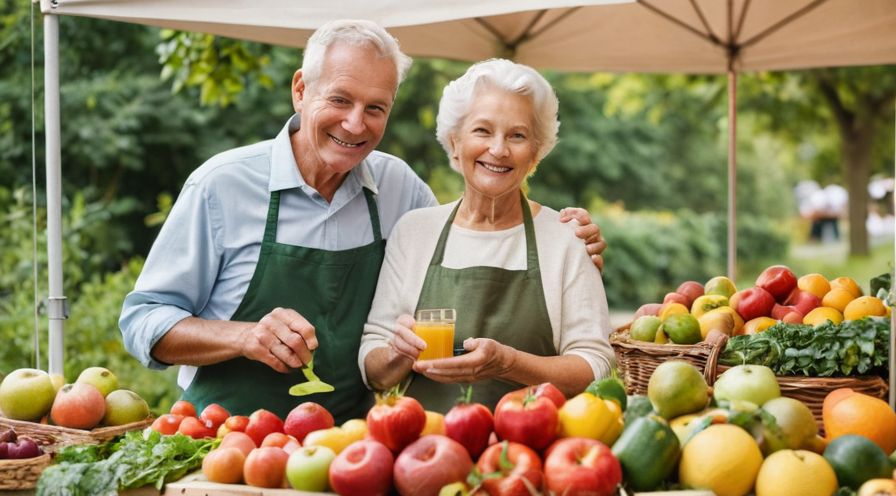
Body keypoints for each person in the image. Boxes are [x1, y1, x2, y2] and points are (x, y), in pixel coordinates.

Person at [119, 20, 606, 423]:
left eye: (376, 108)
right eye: (339, 100)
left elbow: (475, 230)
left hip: (352, 448)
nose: (356, 124)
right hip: (230, 441)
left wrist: (571, 236)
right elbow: (143, 320)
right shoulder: (221, 187)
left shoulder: (400, 190)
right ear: (300, 90)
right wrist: (243, 336)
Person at [360, 59, 615, 412]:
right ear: (454, 143)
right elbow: (375, 371)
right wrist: (397, 354)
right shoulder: (414, 232)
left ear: (536, 153)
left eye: (518, 135)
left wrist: (508, 363)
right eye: (482, 130)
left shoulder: (566, 238)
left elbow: (596, 366)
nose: (498, 149)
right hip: (423, 450)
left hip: (531, 453)